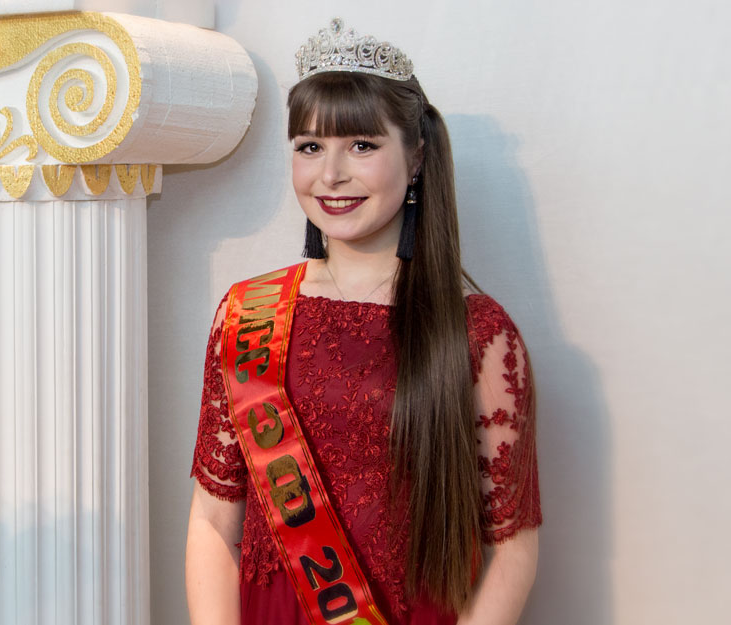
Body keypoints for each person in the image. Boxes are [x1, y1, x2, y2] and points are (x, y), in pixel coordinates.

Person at [185, 18, 541, 625]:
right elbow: (213, 521)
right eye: (309, 147)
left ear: (417, 156)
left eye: (362, 146)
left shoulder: (478, 333)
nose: (330, 174)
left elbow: (512, 547)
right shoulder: (246, 314)